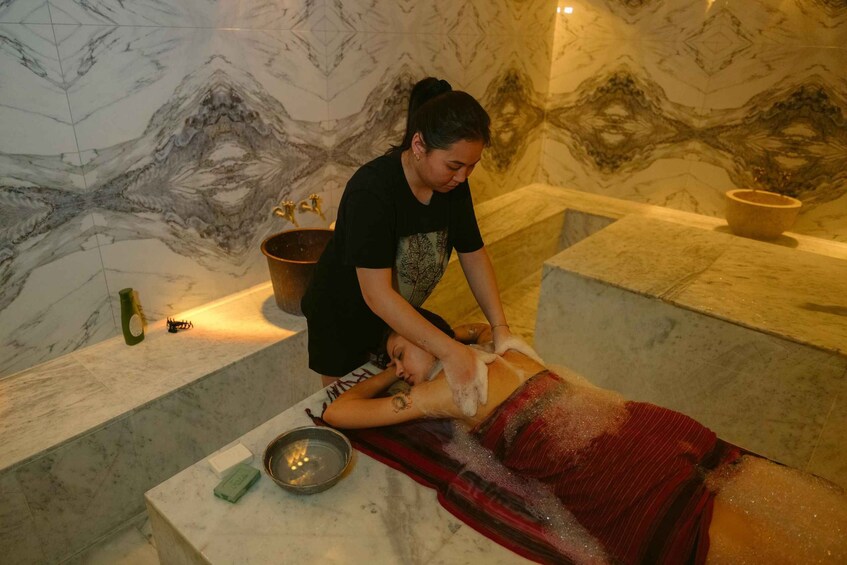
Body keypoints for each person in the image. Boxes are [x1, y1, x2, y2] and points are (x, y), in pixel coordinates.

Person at [322, 311, 847, 565]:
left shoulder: (448, 388)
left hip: (612, 470)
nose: (398, 369)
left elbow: (339, 412)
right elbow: (478, 325)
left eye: (399, 354)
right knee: (753, 511)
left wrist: (390, 375)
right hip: (647, 427)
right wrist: (447, 340)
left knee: (711, 534)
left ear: (425, 335)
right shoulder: (502, 350)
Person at [301, 77, 537, 416]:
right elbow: (376, 295)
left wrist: (501, 328)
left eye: (471, 166)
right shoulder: (372, 191)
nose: (462, 177)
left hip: (394, 318)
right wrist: (451, 352)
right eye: (454, 166)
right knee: (347, 413)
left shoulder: (453, 188)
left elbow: (473, 254)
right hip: (343, 318)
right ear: (418, 145)